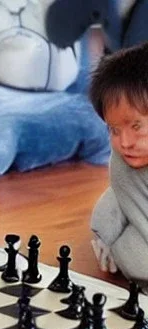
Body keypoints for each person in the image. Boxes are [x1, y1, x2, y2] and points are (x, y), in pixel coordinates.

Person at [90, 40, 148, 287]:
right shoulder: (123, 161)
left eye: (136, 126)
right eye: (113, 129)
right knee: (104, 220)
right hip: (137, 206)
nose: (125, 142)